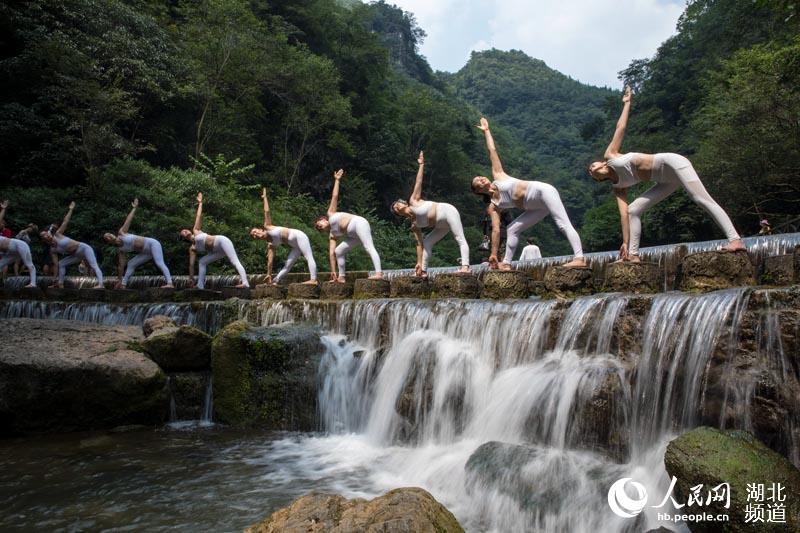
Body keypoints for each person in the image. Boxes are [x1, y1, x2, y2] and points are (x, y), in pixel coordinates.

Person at [588, 87, 745, 261]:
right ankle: (633, 254)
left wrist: (627, 103)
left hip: (672, 163)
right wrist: (624, 241)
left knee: (701, 199)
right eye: (591, 172)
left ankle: (735, 240)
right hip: (665, 180)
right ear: (597, 180)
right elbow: (623, 215)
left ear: (601, 163)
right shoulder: (618, 188)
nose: (592, 169)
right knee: (633, 210)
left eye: (592, 165)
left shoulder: (610, 155)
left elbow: (621, 127)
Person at [471, 117, 586, 270]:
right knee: (512, 229)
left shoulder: (498, 176)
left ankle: (579, 258)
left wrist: (487, 131)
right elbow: (497, 230)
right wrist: (493, 253)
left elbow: (492, 150)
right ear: (478, 191)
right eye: (477, 181)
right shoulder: (493, 206)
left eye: (479, 176)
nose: (480, 178)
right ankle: (506, 263)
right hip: (536, 207)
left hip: (543, 192)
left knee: (562, 224)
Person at [391, 151, 470, 277]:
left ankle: (465, 266)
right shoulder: (414, 224)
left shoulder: (413, 201)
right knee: (427, 242)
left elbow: (419, 182)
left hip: (447, 211)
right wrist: (418, 262)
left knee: (459, 238)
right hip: (441, 225)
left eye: (397, 203)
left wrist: (421, 164)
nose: (396, 206)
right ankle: (422, 271)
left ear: (404, 203)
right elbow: (419, 244)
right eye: (395, 208)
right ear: (398, 214)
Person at [314, 169, 383, 282]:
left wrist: (337, 180)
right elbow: (331, 253)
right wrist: (333, 271)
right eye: (318, 228)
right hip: (353, 235)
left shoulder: (331, 213)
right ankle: (341, 277)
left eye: (319, 224)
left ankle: (379, 273)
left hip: (358, 223)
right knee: (338, 251)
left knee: (368, 247)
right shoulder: (332, 235)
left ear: (323, 220)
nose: (319, 226)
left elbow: (335, 196)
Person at [180, 192, 249, 289]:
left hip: (221, 241)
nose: (184, 231)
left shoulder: (196, 230)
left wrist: (200, 203)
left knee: (234, 261)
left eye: (184, 229)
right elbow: (191, 265)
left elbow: (198, 216)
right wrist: (191, 278)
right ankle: (200, 285)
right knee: (202, 262)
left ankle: (245, 283)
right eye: (182, 232)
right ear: (183, 238)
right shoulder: (192, 248)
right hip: (216, 251)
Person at [250, 188, 317, 285]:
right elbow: (270, 261)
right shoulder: (270, 244)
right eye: (254, 235)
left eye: (255, 231)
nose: (256, 234)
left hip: (299, 236)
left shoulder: (268, 226)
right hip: (295, 246)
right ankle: (274, 281)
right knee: (288, 265)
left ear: (260, 229)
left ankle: (313, 279)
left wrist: (265, 198)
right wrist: (268, 274)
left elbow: (266, 211)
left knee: (308, 256)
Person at [103, 198, 173, 289]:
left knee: (159, 262)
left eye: (109, 233)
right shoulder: (121, 250)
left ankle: (170, 283)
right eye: (107, 237)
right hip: (146, 252)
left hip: (153, 244)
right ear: (108, 241)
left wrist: (134, 208)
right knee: (131, 263)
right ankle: (123, 284)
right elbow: (121, 266)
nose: (109, 235)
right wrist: (119, 280)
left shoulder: (121, 233)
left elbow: (128, 220)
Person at [39, 201, 104, 288]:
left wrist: (71, 209)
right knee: (61, 264)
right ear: (43, 239)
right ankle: (60, 283)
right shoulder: (52, 250)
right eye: (44, 235)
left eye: (46, 233)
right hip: (76, 255)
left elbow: (65, 222)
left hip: (83, 248)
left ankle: (101, 284)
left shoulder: (57, 234)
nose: (47, 235)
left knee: (93, 265)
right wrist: (55, 278)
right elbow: (55, 264)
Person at [0, 200, 37, 287]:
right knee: (0, 264)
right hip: (10, 252)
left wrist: (3, 209)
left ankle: (33, 283)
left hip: (20, 245)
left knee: (29, 264)